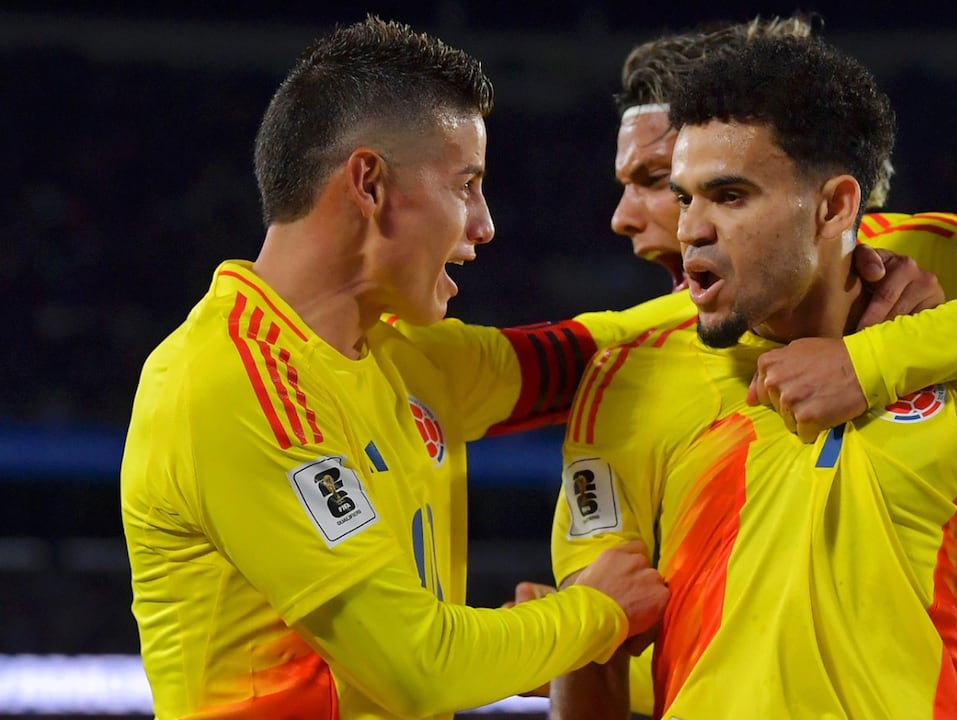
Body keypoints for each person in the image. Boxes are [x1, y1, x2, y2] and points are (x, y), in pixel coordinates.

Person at [119, 17, 674, 719]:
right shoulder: (229, 382)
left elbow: (606, 351)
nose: (484, 225)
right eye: (465, 185)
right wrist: (594, 613)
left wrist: (837, 255)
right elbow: (418, 668)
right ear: (370, 184)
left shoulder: (402, 357)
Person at [548, 35, 957, 718]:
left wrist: (869, 364)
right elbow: (597, 655)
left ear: (833, 207)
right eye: (683, 198)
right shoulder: (631, 379)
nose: (690, 231)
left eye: (729, 197)